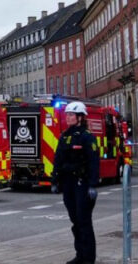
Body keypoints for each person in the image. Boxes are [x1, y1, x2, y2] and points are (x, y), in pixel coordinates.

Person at [53, 101, 99, 264]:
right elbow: (57, 159)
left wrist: (93, 185)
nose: (68, 117)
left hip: (83, 183)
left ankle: (88, 258)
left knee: (83, 220)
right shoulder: (65, 136)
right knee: (75, 221)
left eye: (71, 115)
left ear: (80, 117)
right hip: (68, 184)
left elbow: (94, 162)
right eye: (67, 115)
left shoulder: (87, 137)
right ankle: (80, 255)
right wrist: (55, 181)